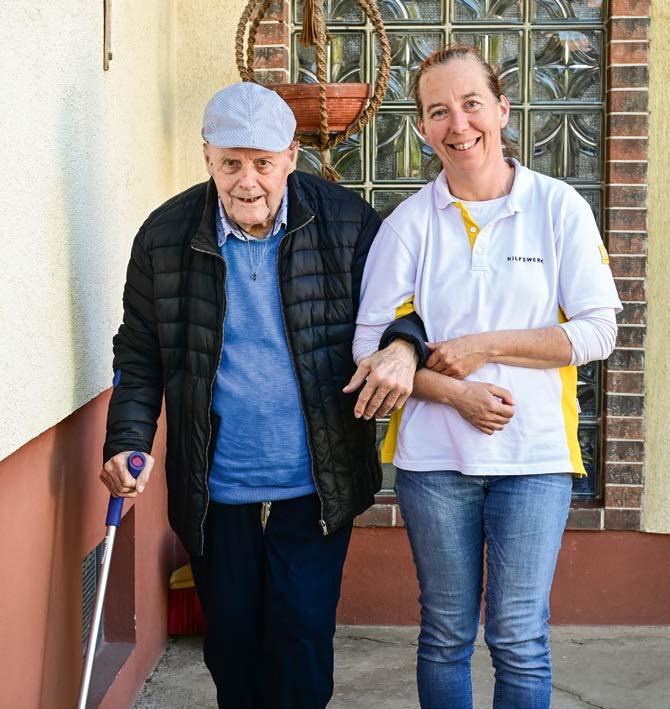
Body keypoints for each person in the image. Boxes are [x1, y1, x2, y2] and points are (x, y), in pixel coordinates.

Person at [100, 81, 424, 709]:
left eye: (263, 163)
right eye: (230, 163)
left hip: (317, 478)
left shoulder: (347, 222)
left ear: (291, 157)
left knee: (302, 638)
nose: (246, 182)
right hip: (215, 484)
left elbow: (407, 304)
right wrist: (127, 439)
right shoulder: (163, 236)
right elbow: (139, 352)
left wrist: (406, 345)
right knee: (232, 644)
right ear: (207, 157)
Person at [349, 46, 622, 709]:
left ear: (501, 110)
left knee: (519, 635)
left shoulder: (557, 208)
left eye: (471, 104)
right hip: (435, 463)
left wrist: (485, 346)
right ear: (422, 127)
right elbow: (366, 349)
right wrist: (456, 392)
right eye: (438, 111)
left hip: (535, 459)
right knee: (445, 632)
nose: (458, 124)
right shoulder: (408, 225)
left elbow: (598, 332)